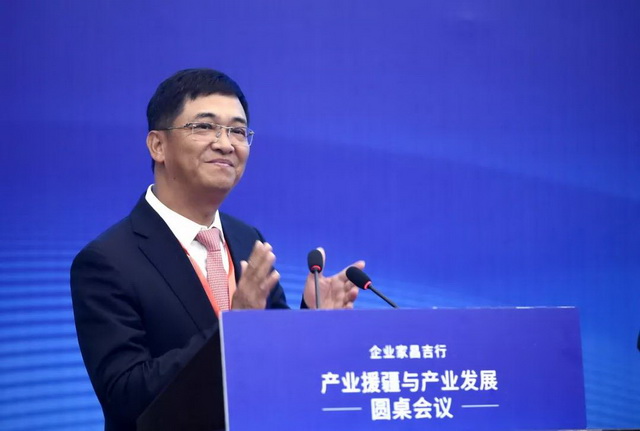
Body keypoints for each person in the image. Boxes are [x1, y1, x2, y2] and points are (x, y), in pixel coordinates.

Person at [70, 68, 365, 431]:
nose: (226, 144)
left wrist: (310, 322)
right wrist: (233, 330)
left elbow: (272, 360)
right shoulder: (107, 261)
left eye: (238, 131)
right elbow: (126, 395)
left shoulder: (246, 239)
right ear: (158, 145)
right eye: (205, 126)